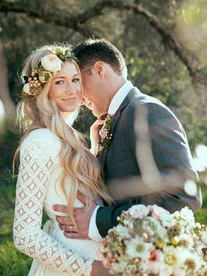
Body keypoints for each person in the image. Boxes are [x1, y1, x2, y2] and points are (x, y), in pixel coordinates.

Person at [54, 38, 202, 243]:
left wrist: (97, 221)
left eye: (78, 80)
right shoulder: (118, 117)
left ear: (99, 70)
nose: (77, 96)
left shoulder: (147, 111)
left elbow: (181, 198)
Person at [13, 44, 113, 275]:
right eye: (59, 82)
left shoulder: (68, 138)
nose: (72, 90)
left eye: (75, 79)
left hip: (97, 255)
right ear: (43, 89)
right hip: (70, 265)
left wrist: (95, 148)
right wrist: (90, 269)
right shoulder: (40, 142)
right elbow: (25, 235)